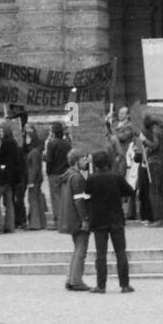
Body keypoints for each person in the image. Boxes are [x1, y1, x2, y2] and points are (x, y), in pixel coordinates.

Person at [81, 150, 135, 293]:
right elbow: (130, 191)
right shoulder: (116, 177)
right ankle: (124, 284)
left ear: (95, 164)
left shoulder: (92, 179)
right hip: (116, 218)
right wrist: (120, 196)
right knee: (121, 252)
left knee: (101, 254)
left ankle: (101, 285)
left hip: (98, 219)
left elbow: (86, 197)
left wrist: (88, 213)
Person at [58, 149, 91, 292]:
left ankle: (70, 278)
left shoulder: (68, 176)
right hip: (77, 217)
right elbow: (79, 201)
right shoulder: (77, 178)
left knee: (77, 249)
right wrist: (85, 219)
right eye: (83, 159)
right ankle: (76, 280)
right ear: (77, 161)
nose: (86, 162)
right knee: (81, 250)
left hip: (69, 216)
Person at [0, 125, 21, 233]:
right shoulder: (14, 143)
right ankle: (10, 225)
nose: (0, 133)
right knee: (9, 201)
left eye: (2, 131)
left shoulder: (6, 144)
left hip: (3, 176)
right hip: (11, 178)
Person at [44, 121, 72, 228]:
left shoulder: (51, 144)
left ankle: (58, 221)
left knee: (55, 198)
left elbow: (49, 160)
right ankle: (66, 219)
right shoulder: (67, 143)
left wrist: (48, 171)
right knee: (65, 197)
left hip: (54, 173)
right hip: (65, 171)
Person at [23, 126, 47, 230]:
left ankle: (35, 223)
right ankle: (40, 222)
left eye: (28, 138)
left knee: (33, 201)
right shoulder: (36, 151)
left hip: (34, 179)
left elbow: (34, 168)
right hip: (37, 178)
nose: (26, 140)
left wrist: (31, 181)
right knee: (37, 200)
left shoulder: (33, 152)